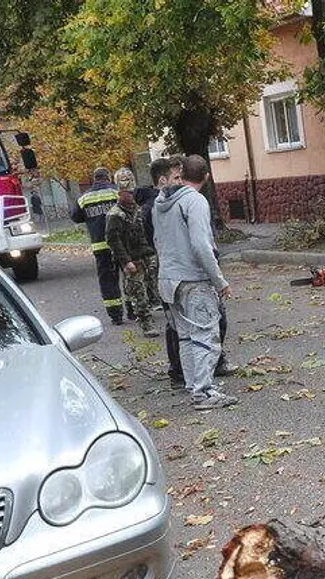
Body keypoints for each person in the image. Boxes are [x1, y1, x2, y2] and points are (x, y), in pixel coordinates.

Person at [153, 154, 238, 410]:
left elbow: (158, 240)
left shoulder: (160, 203)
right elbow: (202, 246)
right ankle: (203, 392)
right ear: (206, 176)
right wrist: (219, 280)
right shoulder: (194, 202)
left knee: (187, 338)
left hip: (169, 279)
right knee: (206, 335)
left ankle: (194, 385)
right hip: (194, 279)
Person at [105, 168, 160, 337]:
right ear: (119, 193)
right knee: (139, 292)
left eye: (131, 192)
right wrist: (125, 261)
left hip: (146, 254)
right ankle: (146, 324)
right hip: (132, 259)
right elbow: (113, 240)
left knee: (152, 289)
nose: (130, 195)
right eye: (127, 192)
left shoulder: (138, 209)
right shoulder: (115, 214)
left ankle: (142, 308)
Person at [70, 167, 123, 324]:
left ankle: (115, 314)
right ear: (108, 177)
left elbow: (75, 217)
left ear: (94, 179)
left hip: (99, 246)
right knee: (128, 275)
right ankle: (133, 309)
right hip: (120, 243)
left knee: (107, 279)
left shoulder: (84, 198)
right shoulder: (116, 192)